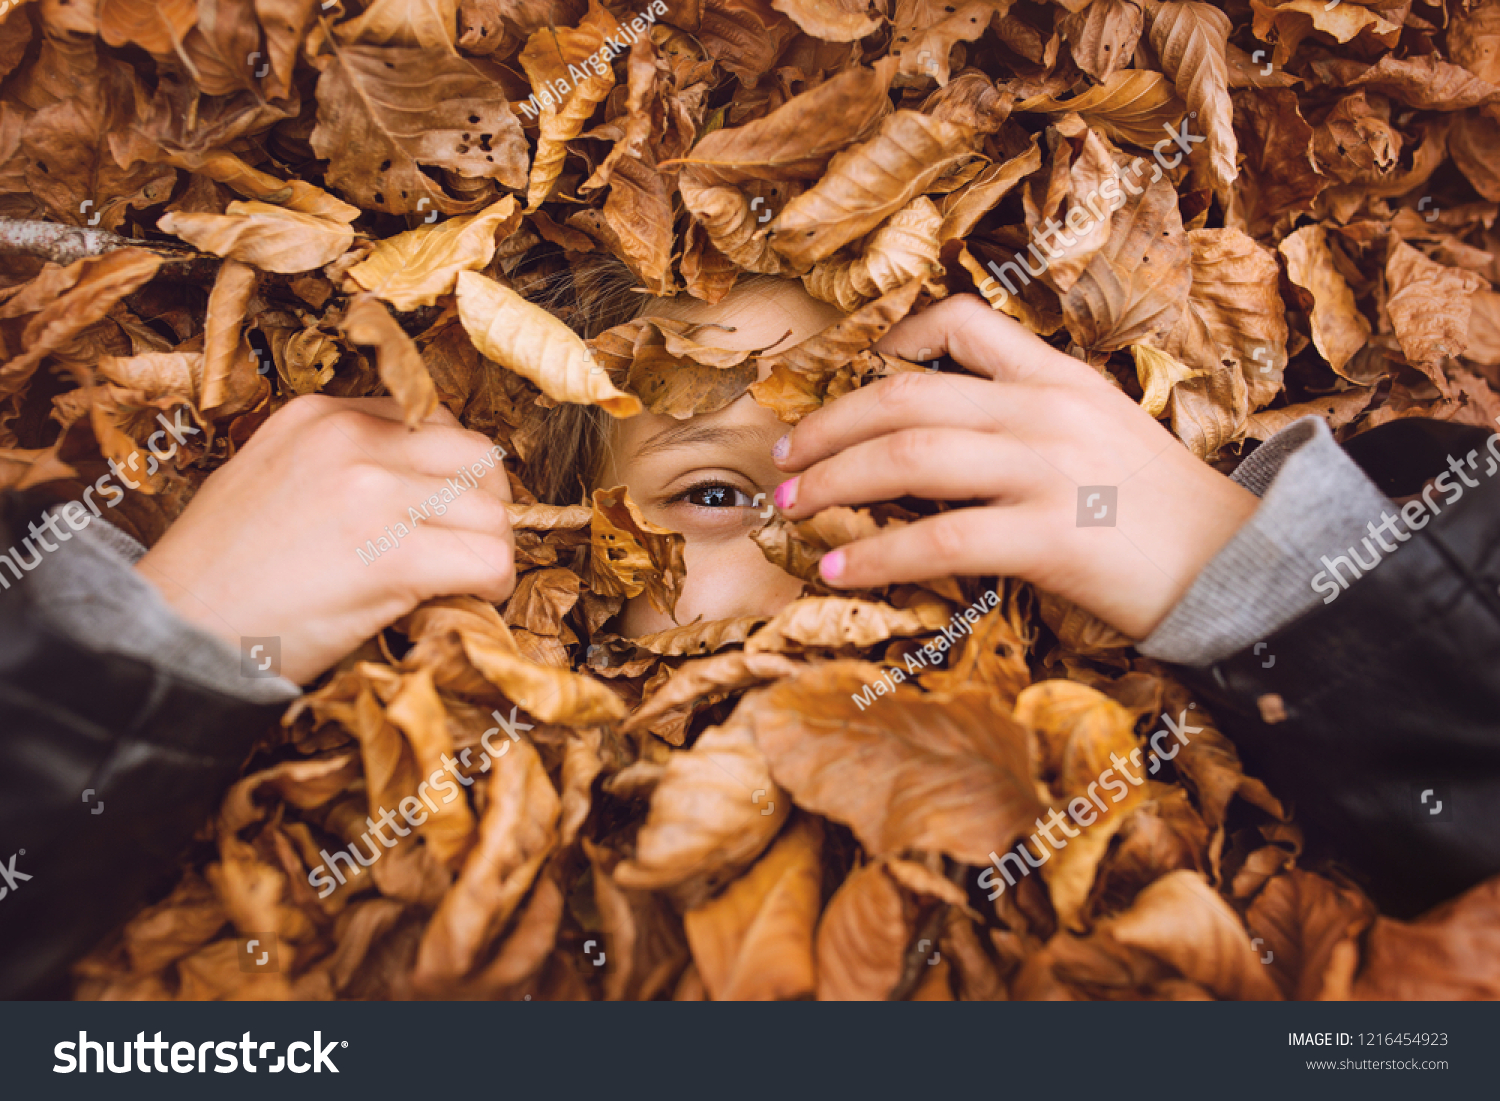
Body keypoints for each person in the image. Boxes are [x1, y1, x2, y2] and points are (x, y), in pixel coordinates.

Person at [1, 276, 1494, 999]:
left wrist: (1264, 576)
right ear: (538, 573)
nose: (835, 568)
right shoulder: (322, 887)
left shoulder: (1217, 852)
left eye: (938, 501)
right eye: (720, 492)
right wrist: (148, 661)